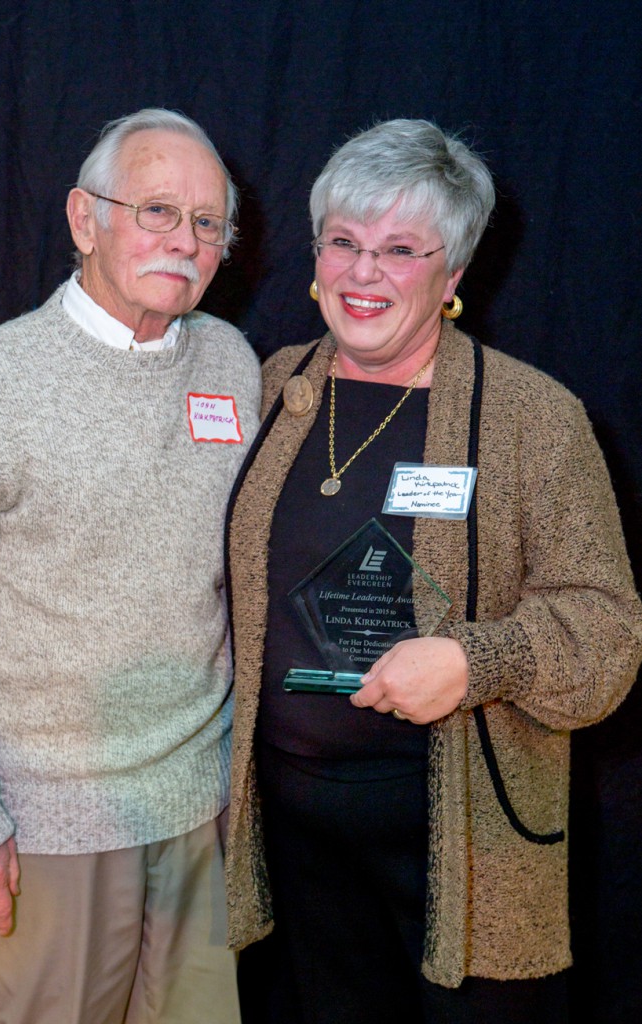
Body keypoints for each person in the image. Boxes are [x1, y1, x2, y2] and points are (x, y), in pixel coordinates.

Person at [223, 118, 642, 1023]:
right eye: (344, 242)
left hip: (468, 852)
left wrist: (472, 663)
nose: (362, 272)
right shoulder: (269, 389)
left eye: (400, 250)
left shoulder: (535, 418)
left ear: (451, 277)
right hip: (293, 854)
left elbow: (606, 634)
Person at [0, 108, 261, 1024]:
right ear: (85, 220)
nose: (186, 241)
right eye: (157, 211)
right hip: (44, 826)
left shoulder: (232, 366)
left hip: (197, 814)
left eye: (208, 223)